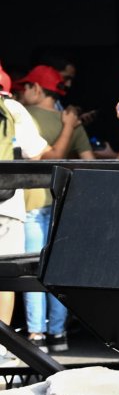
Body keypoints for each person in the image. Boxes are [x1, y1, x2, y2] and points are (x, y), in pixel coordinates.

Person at [16, 65, 94, 349]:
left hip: (29, 203)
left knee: (29, 271)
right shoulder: (71, 122)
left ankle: (36, 334)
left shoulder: (20, 117)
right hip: (63, 203)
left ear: (37, 89)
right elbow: (89, 159)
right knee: (57, 270)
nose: (21, 93)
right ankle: (59, 333)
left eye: (25, 87)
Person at [0, 64, 48, 343]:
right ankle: (3, 351)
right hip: (7, 205)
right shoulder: (14, 110)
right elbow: (38, 152)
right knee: (4, 279)